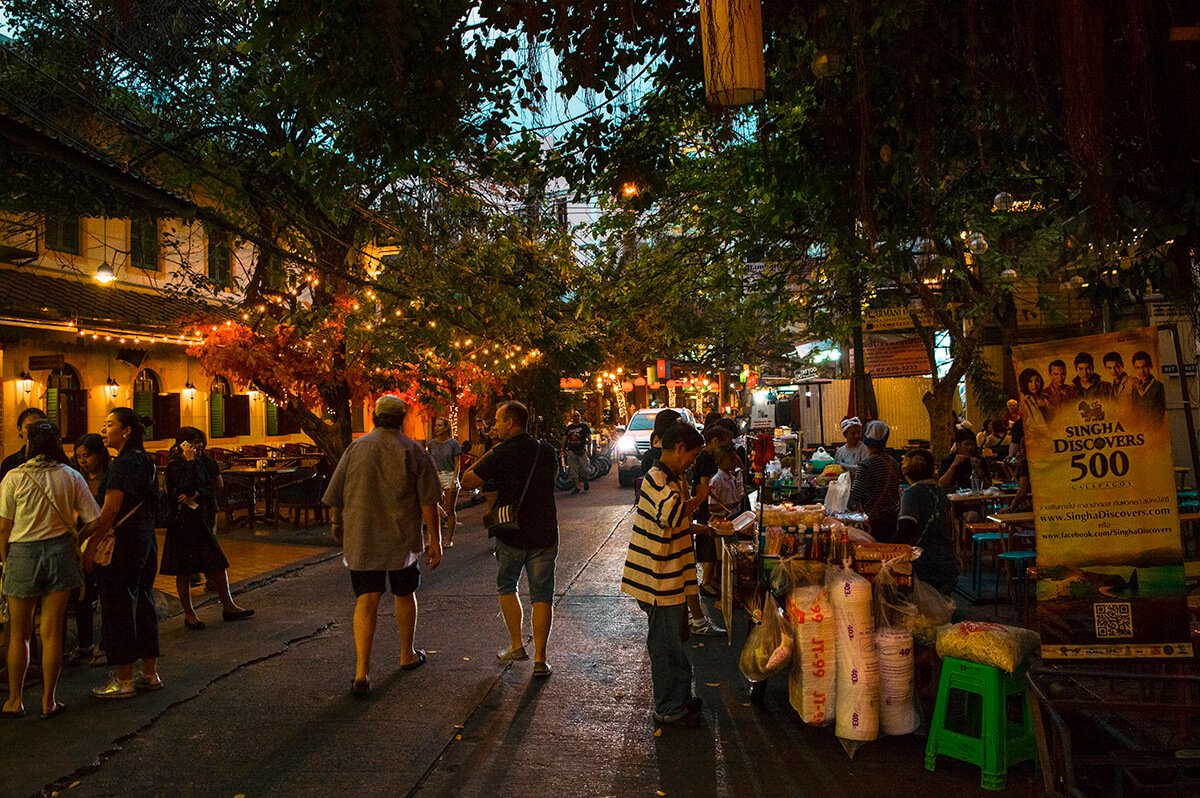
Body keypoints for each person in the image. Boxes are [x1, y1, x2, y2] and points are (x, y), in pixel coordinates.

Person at [323, 395, 442, 696]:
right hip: (402, 539)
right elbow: (429, 501)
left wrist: (337, 523)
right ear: (401, 418)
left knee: (367, 599)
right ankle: (406, 654)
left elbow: (335, 493)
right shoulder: (413, 450)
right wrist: (435, 541)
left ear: (375, 417)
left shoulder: (356, 448)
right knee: (405, 594)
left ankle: (361, 672)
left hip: (362, 538)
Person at [1, 420, 101, 718]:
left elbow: (4, 528)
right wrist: (77, 538)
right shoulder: (71, 475)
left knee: (19, 633)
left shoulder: (13, 478)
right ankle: (49, 700)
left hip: (22, 553)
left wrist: (6, 560)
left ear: (29, 444)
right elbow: (93, 519)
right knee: (51, 632)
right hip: (60, 553)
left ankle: (15, 700)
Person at [460, 401, 559, 677]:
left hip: (511, 533)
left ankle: (517, 645)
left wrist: (491, 455)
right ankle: (540, 658)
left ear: (510, 423)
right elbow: (554, 478)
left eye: (497, 421)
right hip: (545, 532)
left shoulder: (500, 453)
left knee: (507, 585)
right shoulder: (546, 450)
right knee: (542, 594)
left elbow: (467, 480)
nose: (494, 426)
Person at [621, 421, 708, 728]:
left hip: (671, 578)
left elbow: (677, 521)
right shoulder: (656, 479)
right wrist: (700, 497)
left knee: (674, 643)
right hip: (659, 580)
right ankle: (668, 709)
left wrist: (704, 526)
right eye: (692, 455)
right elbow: (672, 514)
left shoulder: (673, 478)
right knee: (666, 647)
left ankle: (679, 699)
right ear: (679, 448)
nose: (692, 461)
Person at [82, 409, 163, 699]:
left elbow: (111, 510)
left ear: (126, 431)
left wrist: (90, 545)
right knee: (143, 601)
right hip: (145, 538)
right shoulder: (146, 461)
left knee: (117, 606)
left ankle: (124, 679)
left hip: (124, 542)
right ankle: (149, 673)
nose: (104, 430)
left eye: (109, 425)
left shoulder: (122, 464)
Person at [159, 427, 253, 631]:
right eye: (194, 442)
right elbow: (181, 488)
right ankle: (189, 613)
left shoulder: (202, 461)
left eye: (200, 442)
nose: (198, 446)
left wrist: (197, 493)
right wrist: (190, 463)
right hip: (183, 523)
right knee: (183, 569)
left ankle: (229, 605)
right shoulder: (175, 465)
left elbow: (211, 485)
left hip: (201, 519)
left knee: (218, 563)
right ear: (182, 444)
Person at [69, 433, 109, 667]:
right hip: (79, 542)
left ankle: (105, 644)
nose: (83, 461)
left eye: (87, 455)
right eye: (79, 456)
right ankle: (84, 644)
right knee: (81, 597)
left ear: (99, 455)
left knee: (105, 595)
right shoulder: (75, 478)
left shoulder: (109, 479)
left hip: (103, 542)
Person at [896, 448, 959, 595]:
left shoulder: (911, 494)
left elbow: (907, 528)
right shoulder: (940, 492)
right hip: (948, 563)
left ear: (905, 471)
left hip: (925, 565)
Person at [689, 424, 735, 602]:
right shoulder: (706, 458)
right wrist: (710, 501)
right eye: (725, 442)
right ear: (715, 441)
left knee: (713, 542)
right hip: (705, 506)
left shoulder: (706, 456)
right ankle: (706, 582)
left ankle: (712, 579)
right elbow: (705, 485)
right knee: (708, 542)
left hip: (705, 504)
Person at [846, 420, 901, 542]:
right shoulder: (894, 462)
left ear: (864, 439)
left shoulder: (866, 465)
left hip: (875, 521)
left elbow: (855, 497)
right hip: (893, 518)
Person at [427, 418, 462, 548]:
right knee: (431, 506)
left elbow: (457, 463)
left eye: (440, 425)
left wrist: (454, 479)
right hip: (436, 475)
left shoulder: (453, 444)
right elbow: (430, 461)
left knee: (450, 508)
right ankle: (432, 539)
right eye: (435, 425)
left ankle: (449, 539)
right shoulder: (431, 444)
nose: (437, 428)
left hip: (449, 474)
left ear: (446, 428)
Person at [0, 408, 48, 481]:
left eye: (37, 427)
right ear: (20, 430)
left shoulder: (57, 461)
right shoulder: (10, 463)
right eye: (28, 427)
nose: (33, 432)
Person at [1130, 350, 1166, 418]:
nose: (1142, 371)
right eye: (1138, 368)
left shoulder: (1159, 387)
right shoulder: (1135, 388)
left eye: (1144, 367)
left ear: (1151, 366)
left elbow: (1162, 414)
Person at [562, 410, 592, 494]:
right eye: (574, 416)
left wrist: (590, 449)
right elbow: (565, 438)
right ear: (572, 418)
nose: (576, 417)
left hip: (582, 450)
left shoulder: (584, 426)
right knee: (573, 469)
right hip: (571, 450)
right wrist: (563, 448)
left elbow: (589, 438)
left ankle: (585, 480)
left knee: (585, 467)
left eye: (577, 416)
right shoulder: (569, 428)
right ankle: (577, 486)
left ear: (580, 417)